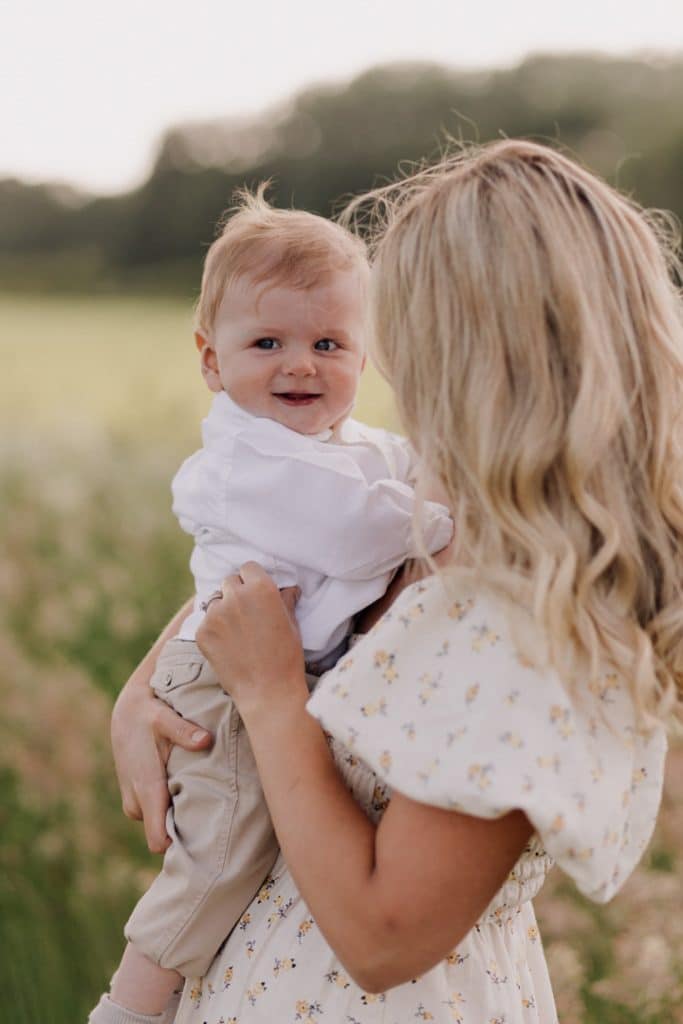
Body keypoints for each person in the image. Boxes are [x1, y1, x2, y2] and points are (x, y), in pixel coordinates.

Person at [111, 140, 682, 1023]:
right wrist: (146, 683)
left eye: (395, 326)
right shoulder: (434, 497)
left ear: (477, 346)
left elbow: (384, 937)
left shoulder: (531, 608)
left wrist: (266, 700)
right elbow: (271, 572)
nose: (384, 363)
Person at [89, 190, 452, 1024]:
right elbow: (362, 536)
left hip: (265, 662)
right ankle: (134, 1003)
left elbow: (396, 462)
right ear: (211, 362)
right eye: (267, 343)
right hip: (220, 683)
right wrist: (436, 514)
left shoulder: (344, 444)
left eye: (329, 343)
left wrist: (424, 471)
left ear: (365, 359)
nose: (300, 364)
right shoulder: (249, 459)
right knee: (221, 848)